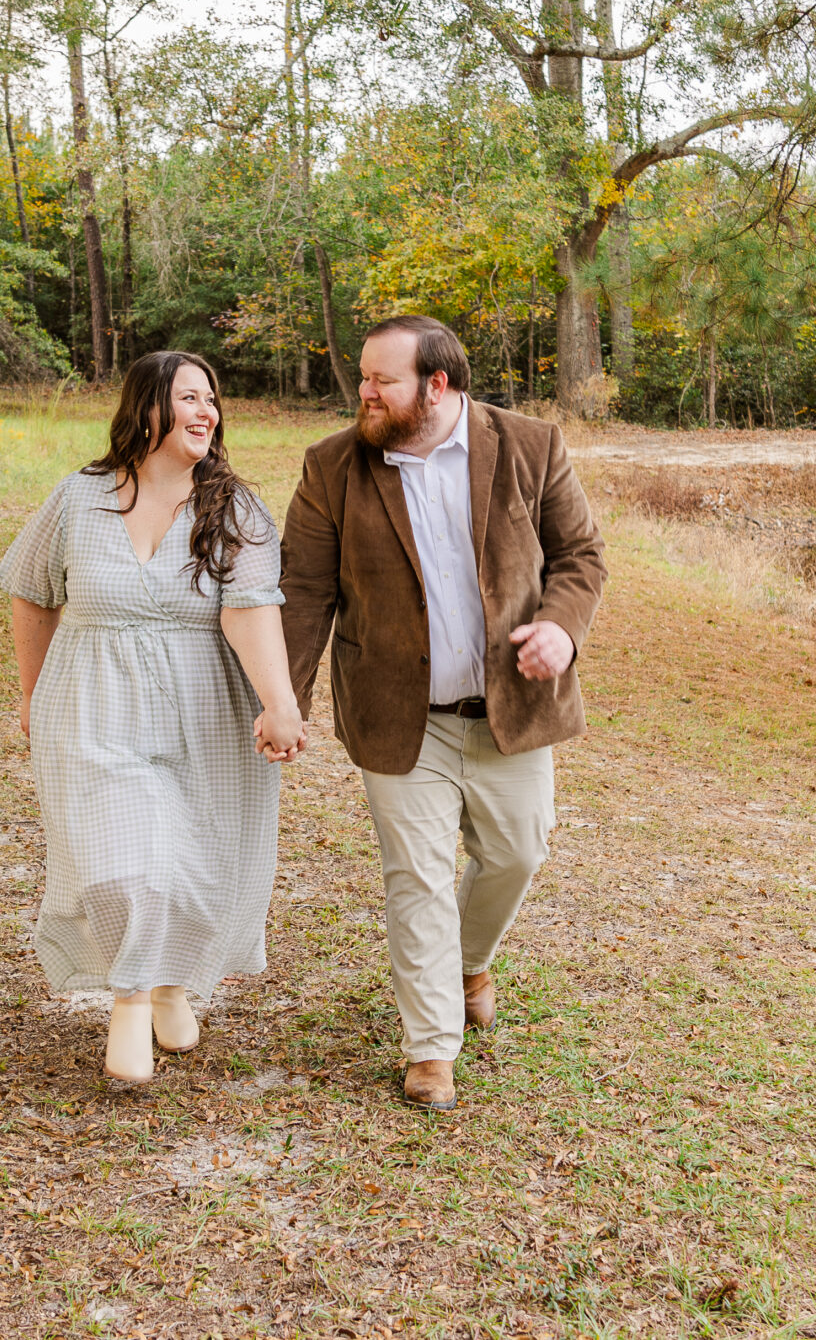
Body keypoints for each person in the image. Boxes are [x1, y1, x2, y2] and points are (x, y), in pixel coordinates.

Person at [281, 316, 609, 1112]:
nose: (364, 391)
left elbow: (581, 556)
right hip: (398, 714)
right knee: (417, 876)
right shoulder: (332, 468)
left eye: (381, 380)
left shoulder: (531, 446)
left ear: (438, 385)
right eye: (363, 376)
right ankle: (430, 1046)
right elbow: (304, 593)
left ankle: (469, 961)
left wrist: (560, 628)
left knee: (518, 852)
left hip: (509, 707)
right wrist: (281, 699)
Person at [0, 352, 308, 1089]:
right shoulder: (78, 498)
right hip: (93, 706)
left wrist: (279, 701)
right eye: (190, 397)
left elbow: (251, 610)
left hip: (201, 710)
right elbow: (31, 593)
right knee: (117, 862)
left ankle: (171, 983)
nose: (208, 412)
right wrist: (31, 691)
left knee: (187, 860)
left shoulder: (232, 507)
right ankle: (130, 1003)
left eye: (213, 400)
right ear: (147, 410)